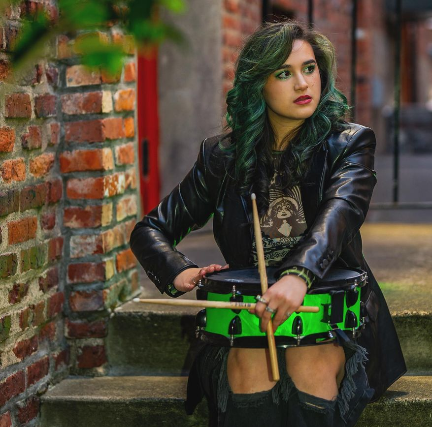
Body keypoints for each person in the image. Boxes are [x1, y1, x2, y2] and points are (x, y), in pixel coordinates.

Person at [130, 21, 406, 427]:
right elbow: (150, 230)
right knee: (250, 365)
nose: (302, 83)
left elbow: (341, 211)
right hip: (248, 316)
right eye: (284, 73)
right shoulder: (221, 156)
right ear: (258, 84)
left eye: (309, 68)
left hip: (334, 315)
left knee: (311, 363)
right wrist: (179, 270)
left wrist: (298, 275)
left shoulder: (349, 143)